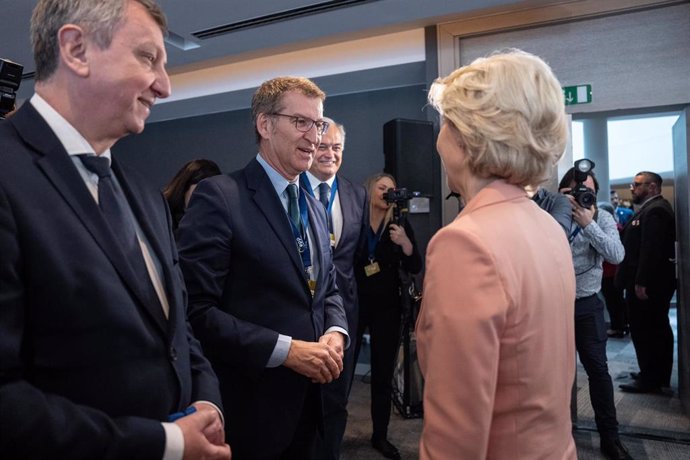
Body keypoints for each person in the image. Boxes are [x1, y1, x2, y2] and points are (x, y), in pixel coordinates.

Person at [0, 1, 230, 459]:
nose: (164, 86)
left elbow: (176, 331)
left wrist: (206, 402)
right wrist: (165, 443)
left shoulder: (146, 197)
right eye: (148, 58)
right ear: (76, 49)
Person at [176, 76, 348, 459]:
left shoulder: (315, 204)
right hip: (254, 409)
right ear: (265, 125)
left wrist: (336, 332)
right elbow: (195, 310)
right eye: (301, 122)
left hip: (315, 405)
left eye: (318, 124)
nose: (315, 136)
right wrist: (286, 351)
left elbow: (327, 289)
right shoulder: (220, 197)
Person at [417, 49, 576, 459]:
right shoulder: (546, 227)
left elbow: (455, 436)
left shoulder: (466, 243)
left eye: (446, 122)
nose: (439, 138)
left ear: (467, 138)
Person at [299, 118, 368, 459]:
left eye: (336, 148)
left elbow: (357, 258)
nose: (329, 154)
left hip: (347, 314)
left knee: (338, 396)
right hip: (303, 310)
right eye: (323, 146)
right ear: (311, 149)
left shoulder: (357, 193)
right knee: (304, 398)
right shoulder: (292, 190)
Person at [558, 169, 631, 460]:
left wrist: (588, 225)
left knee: (599, 372)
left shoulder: (601, 217)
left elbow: (616, 254)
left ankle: (610, 438)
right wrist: (560, 212)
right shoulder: (550, 216)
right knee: (551, 373)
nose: (581, 196)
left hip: (587, 305)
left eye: (587, 191)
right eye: (575, 191)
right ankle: (555, 432)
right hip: (553, 306)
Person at [354, 172, 422, 460]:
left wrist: (405, 242)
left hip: (387, 307)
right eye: (382, 188)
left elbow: (415, 264)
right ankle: (329, 428)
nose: (387, 193)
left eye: (392, 189)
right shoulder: (353, 220)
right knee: (340, 372)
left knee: (382, 375)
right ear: (370, 190)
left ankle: (379, 436)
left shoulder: (399, 223)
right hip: (353, 304)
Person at [617, 171, 676, 394]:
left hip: (648, 284)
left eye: (637, 184)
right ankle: (652, 374)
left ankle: (651, 379)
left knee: (647, 330)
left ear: (652, 187)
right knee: (651, 329)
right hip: (646, 282)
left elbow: (651, 250)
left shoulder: (656, 211)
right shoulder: (651, 209)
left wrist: (641, 282)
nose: (632, 188)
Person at [598, 200, 629, 338]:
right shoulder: (619, 227)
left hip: (609, 271)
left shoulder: (608, 229)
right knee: (617, 300)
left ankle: (617, 327)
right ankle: (623, 324)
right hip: (615, 271)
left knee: (613, 301)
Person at [163, 158, 221, 231]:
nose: (203, 200)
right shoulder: (162, 217)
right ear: (184, 188)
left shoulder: (216, 226)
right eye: (199, 191)